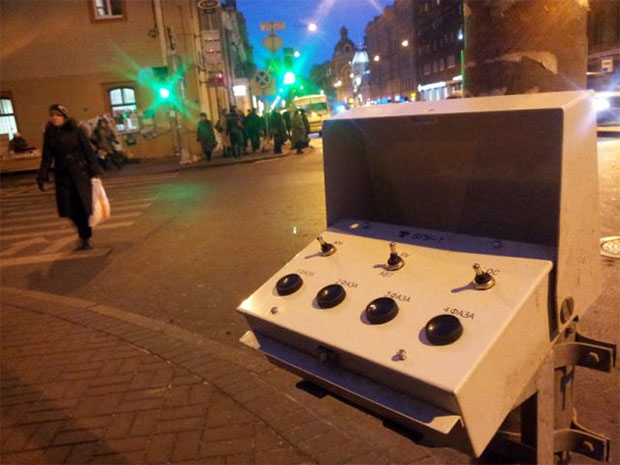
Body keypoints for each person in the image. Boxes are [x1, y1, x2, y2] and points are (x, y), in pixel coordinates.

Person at [37, 104, 103, 251]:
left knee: (82, 208)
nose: (54, 118)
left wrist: (94, 169)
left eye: (58, 115)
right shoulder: (49, 134)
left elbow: (87, 150)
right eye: (52, 115)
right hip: (62, 175)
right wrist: (42, 175)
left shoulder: (76, 130)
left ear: (64, 116)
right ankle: (82, 232)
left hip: (80, 174)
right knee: (68, 209)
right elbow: (47, 156)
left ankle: (85, 238)